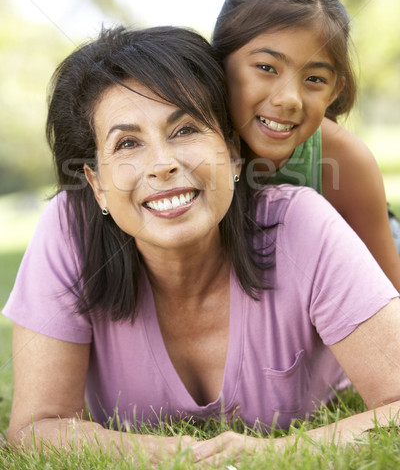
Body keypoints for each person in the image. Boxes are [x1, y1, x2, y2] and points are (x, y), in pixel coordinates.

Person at [3, 25, 400, 465]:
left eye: (185, 129)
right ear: (95, 183)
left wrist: (271, 453)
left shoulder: (300, 224)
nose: (163, 165)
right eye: (128, 143)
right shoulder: (68, 232)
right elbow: (36, 426)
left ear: (232, 153)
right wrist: (178, 454)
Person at [212, 0, 400, 292]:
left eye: (314, 79)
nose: (290, 99)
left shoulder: (345, 159)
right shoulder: (190, 142)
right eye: (267, 68)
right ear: (219, 64)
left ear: (334, 91)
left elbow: (391, 296)